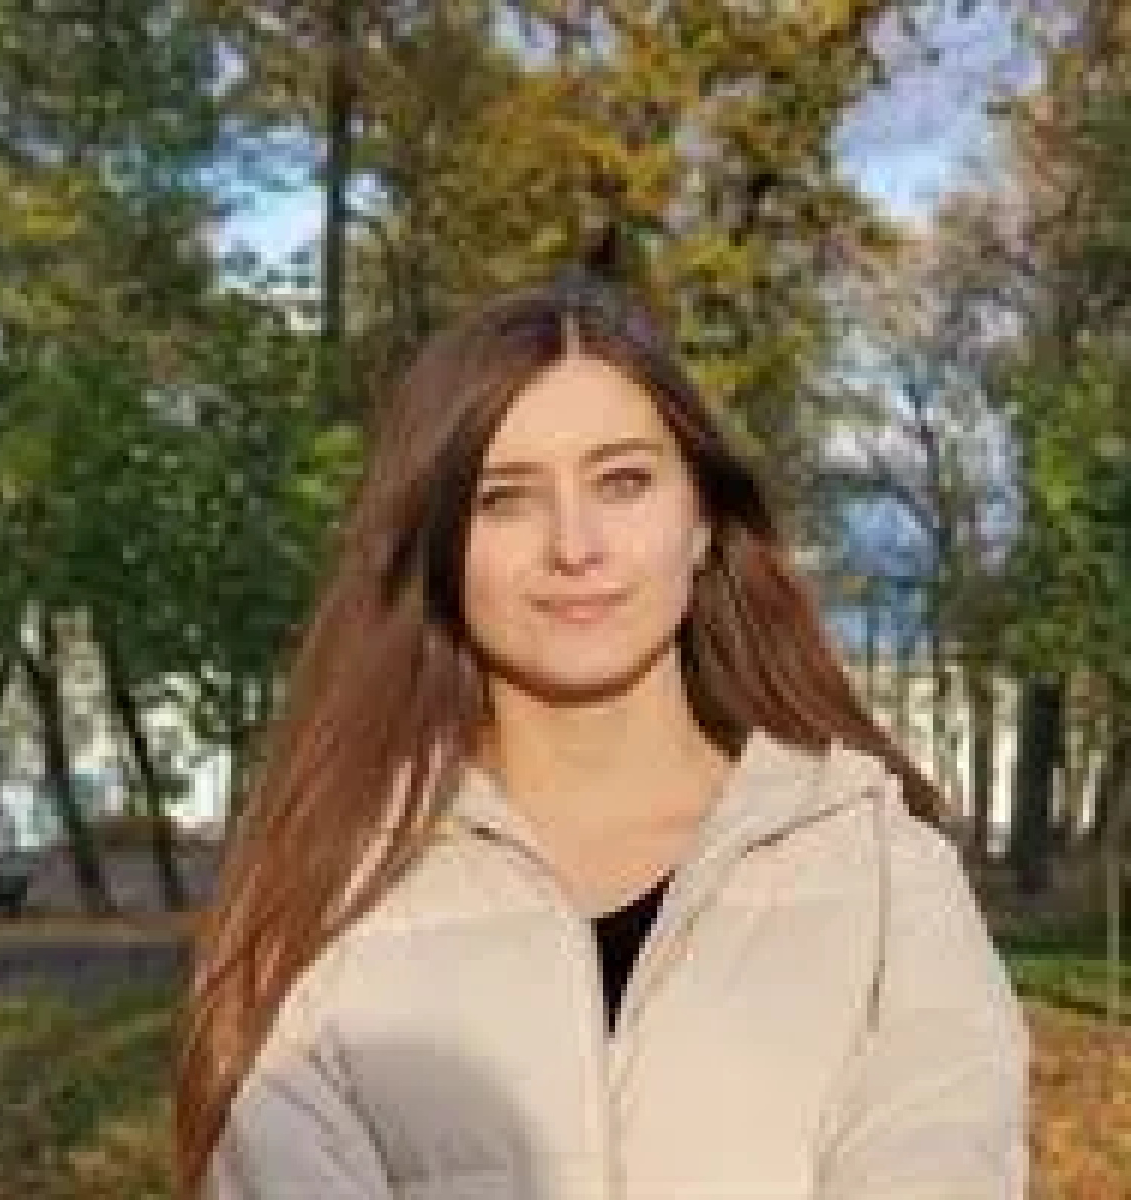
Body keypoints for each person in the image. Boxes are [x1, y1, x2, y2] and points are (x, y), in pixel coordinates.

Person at [176, 272, 1029, 1199]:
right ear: (440, 549)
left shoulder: (883, 873)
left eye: (622, 482)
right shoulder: (325, 890)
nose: (574, 546)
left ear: (701, 521)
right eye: (504, 498)